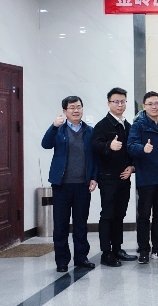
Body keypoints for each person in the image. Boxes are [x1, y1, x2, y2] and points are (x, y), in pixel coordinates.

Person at [41, 96, 98, 273]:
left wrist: (94, 177)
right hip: (61, 185)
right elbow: (45, 144)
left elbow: (95, 157)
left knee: (81, 224)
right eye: (72, 107)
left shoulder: (90, 131)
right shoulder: (59, 130)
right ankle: (62, 260)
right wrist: (53, 126)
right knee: (61, 225)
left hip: (82, 185)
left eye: (79, 107)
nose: (76, 110)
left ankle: (81, 258)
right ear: (65, 111)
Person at [127, 91, 158, 264]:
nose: (154, 107)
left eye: (157, 103)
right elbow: (130, 147)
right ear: (144, 106)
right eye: (150, 104)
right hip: (146, 177)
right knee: (144, 215)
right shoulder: (138, 125)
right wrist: (142, 149)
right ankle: (143, 250)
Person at [91, 87, 137, 267]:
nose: (120, 105)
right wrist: (109, 146)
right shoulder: (102, 126)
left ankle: (117, 249)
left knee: (120, 215)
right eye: (116, 101)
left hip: (124, 178)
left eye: (122, 101)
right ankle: (106, 253)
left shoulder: (127, 125)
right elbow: (95, 146)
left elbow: (132, 150)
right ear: (108, 103)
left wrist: (132, 167)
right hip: (108, 178)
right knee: (108, 215)